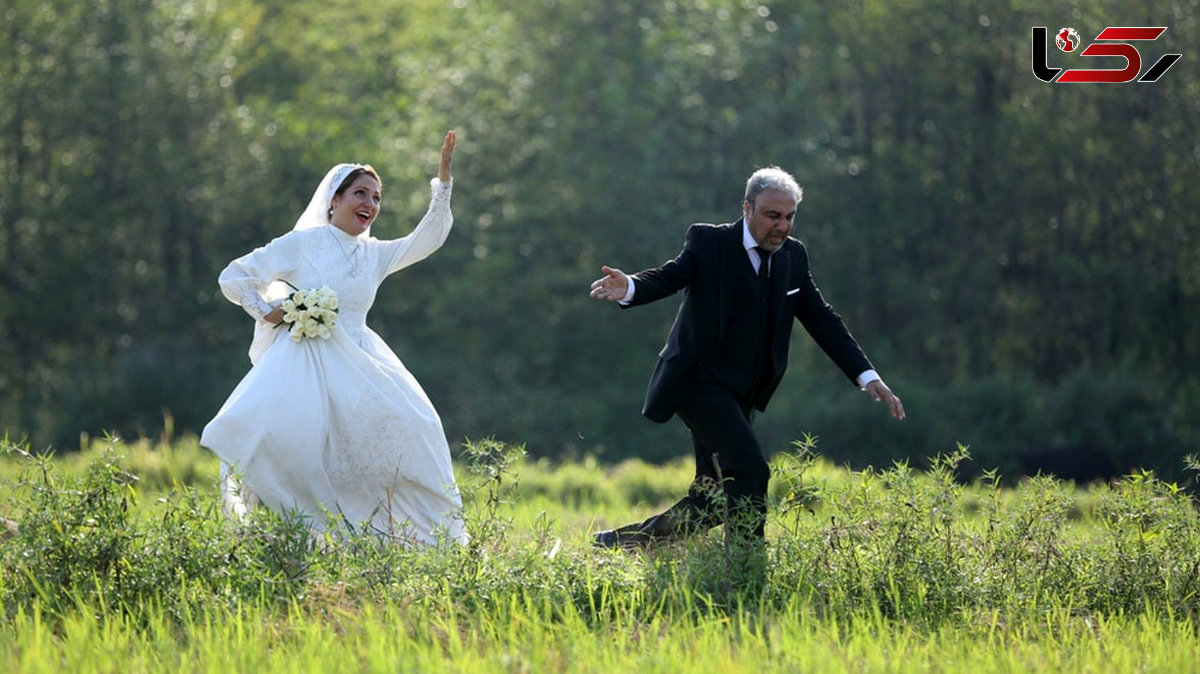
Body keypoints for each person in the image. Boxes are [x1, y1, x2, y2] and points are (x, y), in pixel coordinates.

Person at [588, 166, 904, 551]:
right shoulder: (709, 242)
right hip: (697, 383)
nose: (782, 226)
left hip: (742, 393)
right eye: (772, 215)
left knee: (711, 494)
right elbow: (671, 276)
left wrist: (867, 375)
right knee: (751, 468)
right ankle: (745, 570)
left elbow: (822, 319)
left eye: (789, 217)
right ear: (747, 209)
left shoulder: (793, 257)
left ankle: (620, 543)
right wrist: (631, 286)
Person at [201, 131, 467, 546]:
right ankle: (285, 539)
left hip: (360, 359)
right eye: (361, 194)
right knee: (285, 444)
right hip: (304, 363)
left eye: (377, 198)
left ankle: (404, 537)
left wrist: (444, 184)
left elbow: (426, 240)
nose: (370, 205)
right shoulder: (304, 243)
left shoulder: (375, 254)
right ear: (334, 200)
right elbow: (234, 275)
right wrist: (271, 310)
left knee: (418, 426)